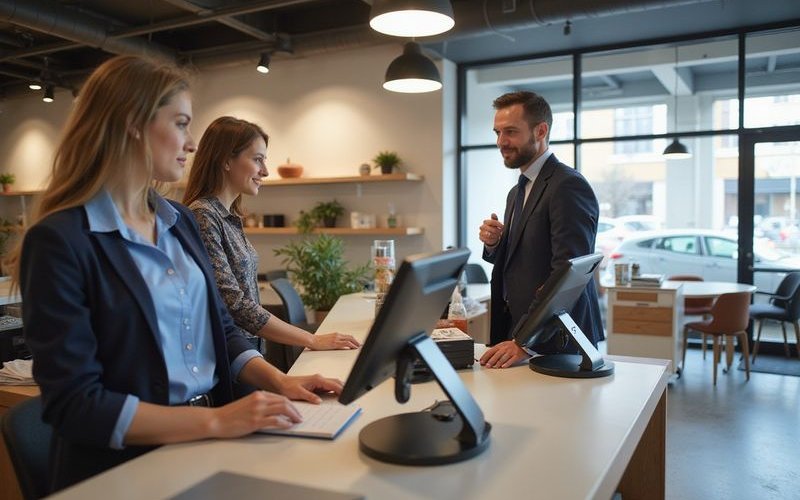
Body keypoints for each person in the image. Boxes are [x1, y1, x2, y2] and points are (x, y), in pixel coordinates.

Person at [10, 55, 342, 492]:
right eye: (182, 124)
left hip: (209, 439)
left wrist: (281, 381)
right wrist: (217, 420)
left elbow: (221, 327)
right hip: (128, 467)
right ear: (133, 122)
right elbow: (76, 404)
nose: (191, 143)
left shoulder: (178, 222)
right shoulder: (61, 240)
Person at [182, 116, 360, 363]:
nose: (265, 171)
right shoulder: (204, 215)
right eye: (257, 160)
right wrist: (312, 339)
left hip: (249, 347)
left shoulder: (228, 215)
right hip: (231, 354)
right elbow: (234, 303)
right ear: (225, 160)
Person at [478, 91, 603, 369]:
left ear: (541, 130)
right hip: (518, 335)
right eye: (497, 132)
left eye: (510, 132)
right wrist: (494, 244)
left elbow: (567, 276)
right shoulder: (517, 191)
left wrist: (525, 340)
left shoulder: (567, 186)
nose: (501, 142)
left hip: (556, 342)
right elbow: (520, 259)